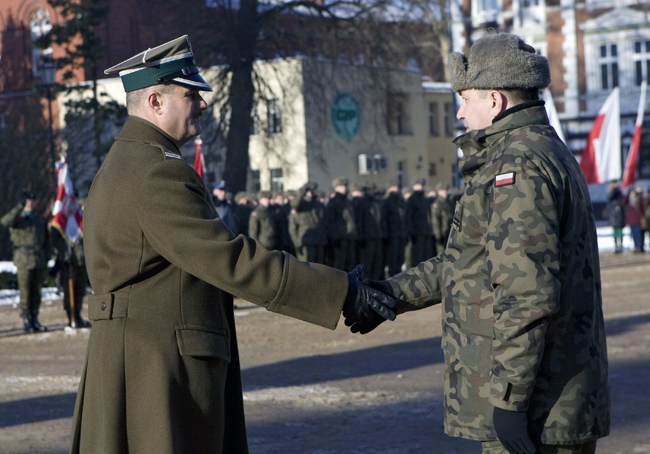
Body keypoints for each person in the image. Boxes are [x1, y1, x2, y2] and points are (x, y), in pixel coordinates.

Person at [70, 35, 395, 453]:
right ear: (155, 101)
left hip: (133, 363)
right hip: (155, 373)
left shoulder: (126, 162)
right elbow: (231, 260)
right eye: (191, 95)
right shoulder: (157, 173)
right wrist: (341, 292)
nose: (203, 104)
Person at [345, 29, 610, 454]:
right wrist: (390, 295)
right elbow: (470, 262)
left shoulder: (518, 165)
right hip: (547, 401)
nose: (460, 113)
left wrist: (508, 401)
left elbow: (526, 295)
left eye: (465, 100)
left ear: (494, 100)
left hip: (538, 411)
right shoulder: (536, 150)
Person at [0, 190, 51, 333]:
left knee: (36, 292)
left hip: (38, 258)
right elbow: (5, 222)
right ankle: (26, 319)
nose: (32, 203)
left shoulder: (39, 218)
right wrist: (18, 207)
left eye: (33, 200)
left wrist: (47, 257)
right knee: (25, 291)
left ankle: (35, 318)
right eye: (29, 200)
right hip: (23, 258)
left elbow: (46, 240)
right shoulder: (19, 217)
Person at [50, 218, 91, 328]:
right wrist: (63, 255)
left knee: (80, 291)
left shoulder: (79, 216)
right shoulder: (62, 218)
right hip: (67, 263)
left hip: (81, 261)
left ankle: (77, 315)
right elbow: (54, 239)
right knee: (69, 292)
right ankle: (71, 317)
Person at [605, 183, 626, 253]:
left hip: (617, 217)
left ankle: (619, 245)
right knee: (617, 232)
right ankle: (617, 245)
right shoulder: (613, 197)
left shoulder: (617, 197)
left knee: (619, 232)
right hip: (615, 217)